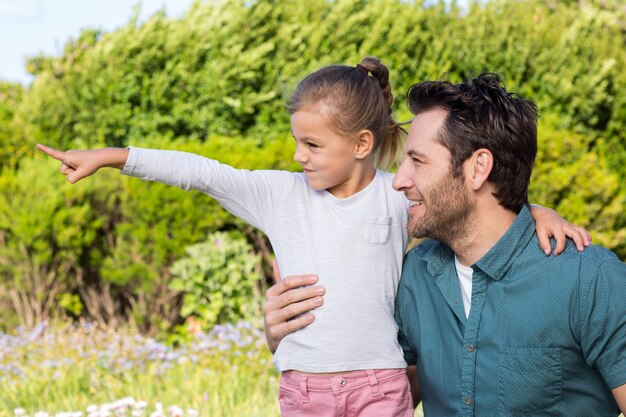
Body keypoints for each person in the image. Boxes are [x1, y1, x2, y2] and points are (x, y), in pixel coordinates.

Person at [39, 60, 589, 417]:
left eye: (312, 145)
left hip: (382, 385)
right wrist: (113, 158)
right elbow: (199, 172)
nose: (299, 156)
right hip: (305, 390)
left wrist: (538, 210)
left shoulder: (394, 197)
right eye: (297, 143)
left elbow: (467, 200)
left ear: (361, 143)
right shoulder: (279, 195)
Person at [264, 73, 626, 416]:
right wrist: (292, 340)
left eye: (417, 161)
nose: (398, 181)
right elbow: (381, 394)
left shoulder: (589, 279)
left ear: (477, 168)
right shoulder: (414, 277)